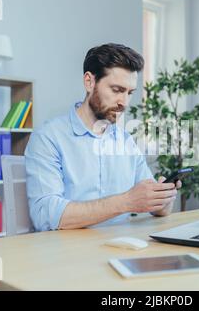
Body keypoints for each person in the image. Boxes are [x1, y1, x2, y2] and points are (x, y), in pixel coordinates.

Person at [25, 43, 181, 231]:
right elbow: (45, 216)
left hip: (120, 247)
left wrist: (162, 197)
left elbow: (158, 211)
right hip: (67, 254)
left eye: (129, 93)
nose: (124, 102)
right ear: (89, 82)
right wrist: (126, 202)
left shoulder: (125, 141)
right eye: (116, 90)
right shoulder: (48, 137)